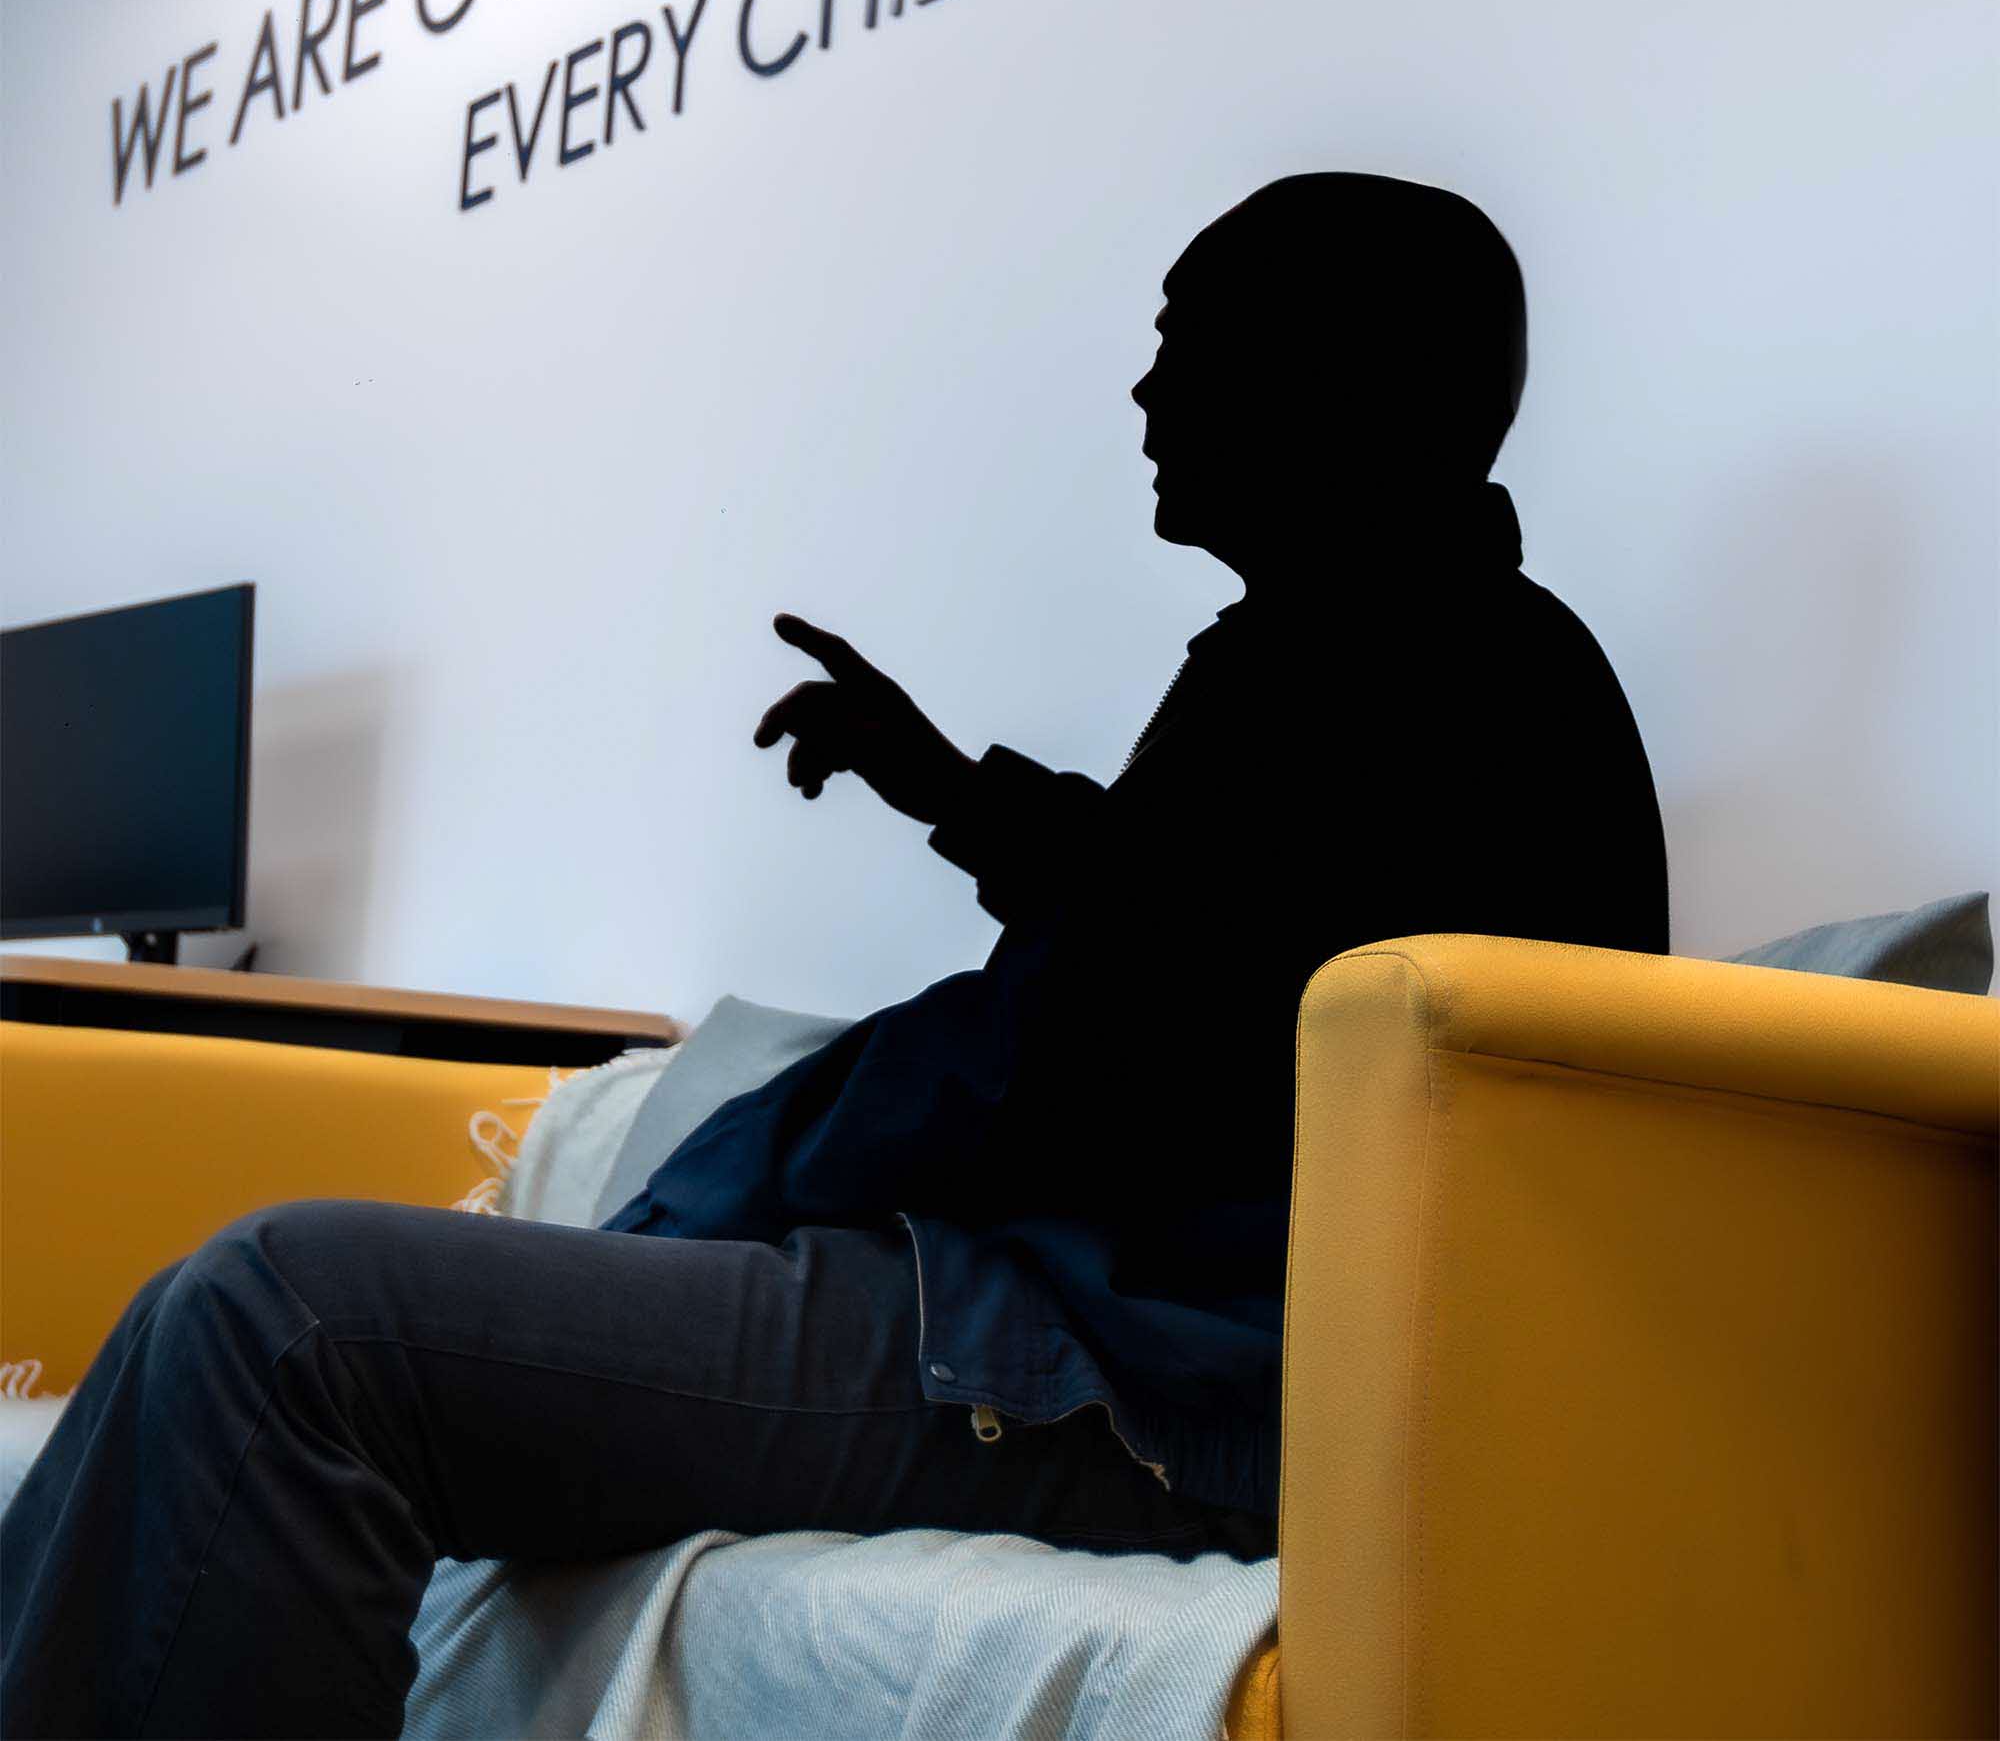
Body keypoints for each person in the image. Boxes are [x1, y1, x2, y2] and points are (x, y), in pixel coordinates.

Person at [0, 171, 1668, 1741]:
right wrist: (943, 784)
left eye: (1185, 344)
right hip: (1106, 1331)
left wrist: (727, 1182)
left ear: (1334, 375)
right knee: (234, 1312)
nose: (1148, 397)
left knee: (292, 1320)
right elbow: (1186, 929)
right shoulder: (1400, 659)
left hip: (1136, 1379)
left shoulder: (1410, 676)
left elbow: (1090, 1045)